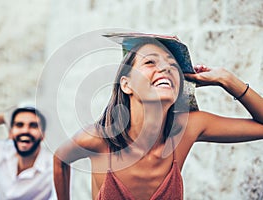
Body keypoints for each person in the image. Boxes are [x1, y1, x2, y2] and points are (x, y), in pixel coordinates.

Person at [53, 33, 263, 200]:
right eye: (150, 62)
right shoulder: (100, 138)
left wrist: (226, 80)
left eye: (172, 66)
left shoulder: (188, 128)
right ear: (126, 84)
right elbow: (60, 159)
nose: (165, 68)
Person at [0, 105, 56, 200]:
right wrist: (1, 118)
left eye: (33, 126)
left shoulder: (53, 167)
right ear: (11, 133)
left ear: (43, 135)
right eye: (19, 125)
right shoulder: (0, 150)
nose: (25, 130)